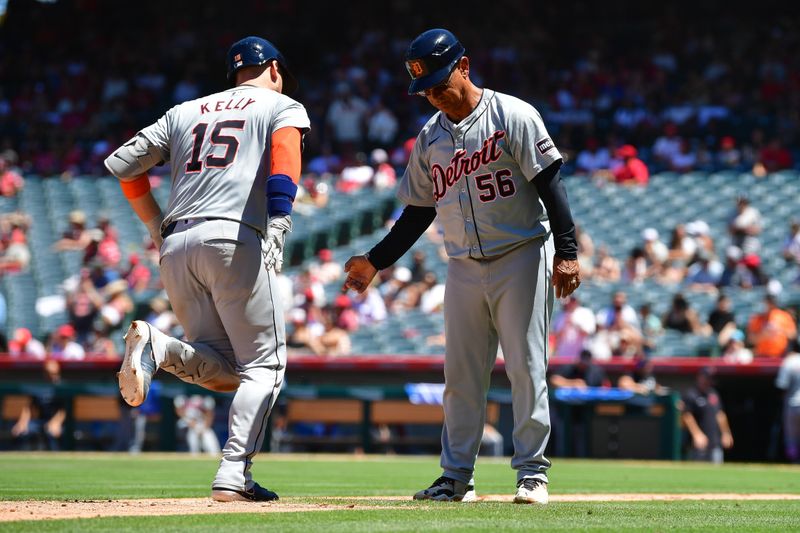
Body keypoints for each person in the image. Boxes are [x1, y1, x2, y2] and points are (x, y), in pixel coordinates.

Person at [342, 29, 581, 505]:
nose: (433, 94)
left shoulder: (512, 114)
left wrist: (568, 250)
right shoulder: (430, 137)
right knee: (461, 377)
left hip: (522, 254)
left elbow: (551, 182)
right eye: (425, 88)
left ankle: (532, 474)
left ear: (464, 67)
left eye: (438, 82)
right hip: (463, 265)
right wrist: (375, 261)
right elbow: (418, 211)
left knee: (526, 368)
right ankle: (456, 478)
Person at [103, 36, 310, 502]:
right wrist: (280, 218)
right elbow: (284, 158)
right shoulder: (281, 104)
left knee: (227, 371)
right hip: (233, 238)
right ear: (273, 69)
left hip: (177, 245)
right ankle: (234, 473)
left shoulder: (184, 110)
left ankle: (161, 347)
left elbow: (123, 164)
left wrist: (156, 225)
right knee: (267, 366)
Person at [11, 359, 66, 451]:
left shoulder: (63, 387)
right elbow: (28, 407)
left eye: (55, 374)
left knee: (51, 432)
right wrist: (22, 422)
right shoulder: (38, 387)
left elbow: (64, 410)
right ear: (44, 374)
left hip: (59, 423)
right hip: (40, 421)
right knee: (20, 432)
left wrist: (56, 422)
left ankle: (55, 459)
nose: (53, 377)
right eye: (50, 374)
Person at [681, 368, 733, 463]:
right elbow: (687, 416)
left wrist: (726, 433)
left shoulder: (713, 394)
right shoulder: (691, 394)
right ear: (699, 377)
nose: (708, 380)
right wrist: (697, 434)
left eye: (710, 378)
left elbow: (720, 414)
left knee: (717, 472)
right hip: (699, 442)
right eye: (706, 377)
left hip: (715, 441)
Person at [776, 347, 800, 463]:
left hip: (792, 404)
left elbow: (782, 386)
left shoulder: (790, 361)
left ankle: (794, 463)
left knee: (791, 437)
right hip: (793, 403)